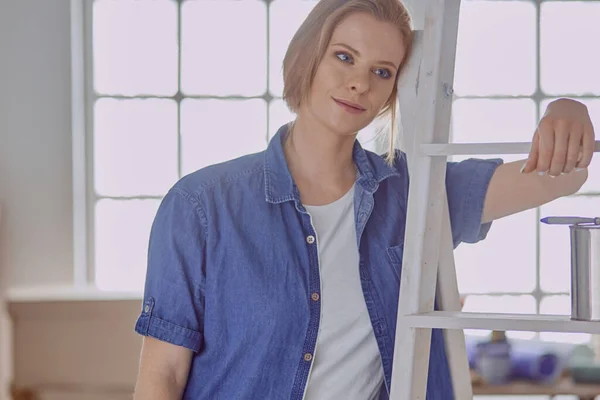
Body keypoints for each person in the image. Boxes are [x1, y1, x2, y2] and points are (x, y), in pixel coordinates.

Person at [132, 0, 596, 399]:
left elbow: (560, 178)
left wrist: (568, 112)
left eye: (382, 71)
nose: (360, 83)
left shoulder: (416, 196)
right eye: (344, 56)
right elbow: (163, 375)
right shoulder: (200, 206)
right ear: (307, 57)